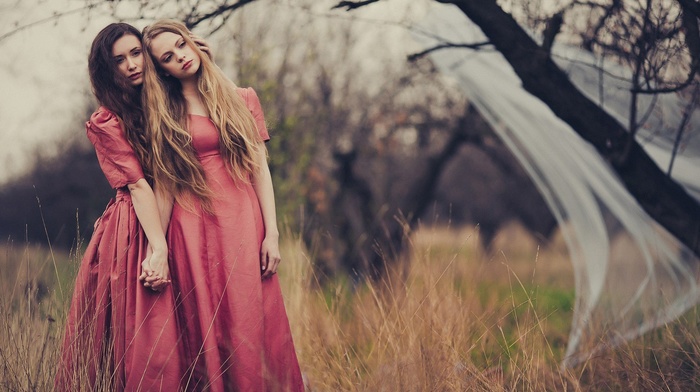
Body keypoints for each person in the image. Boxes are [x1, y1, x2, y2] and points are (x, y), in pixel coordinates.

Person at [141, 20, 304, 391]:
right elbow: (165, 185)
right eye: (168, 57)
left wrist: (272, 234)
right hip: (192, 226)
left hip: (244, 223)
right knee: (204, 322)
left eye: (181, 45)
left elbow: (260, 168)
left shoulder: (242, 97)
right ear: (161, 70)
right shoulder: (166, 113)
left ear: (191, 40)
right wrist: (158, 247)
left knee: (249, 316)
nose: (180, 57)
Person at [54, 23, 210, 391]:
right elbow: (140, 186)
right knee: (147, 330)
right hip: (139, 225)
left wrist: (205, 61)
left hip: (181, 212)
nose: (131, 65)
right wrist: (158, 248)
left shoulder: (167, 96)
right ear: (108, 69)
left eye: (136, 53)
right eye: (119, 60)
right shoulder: (107, 120)